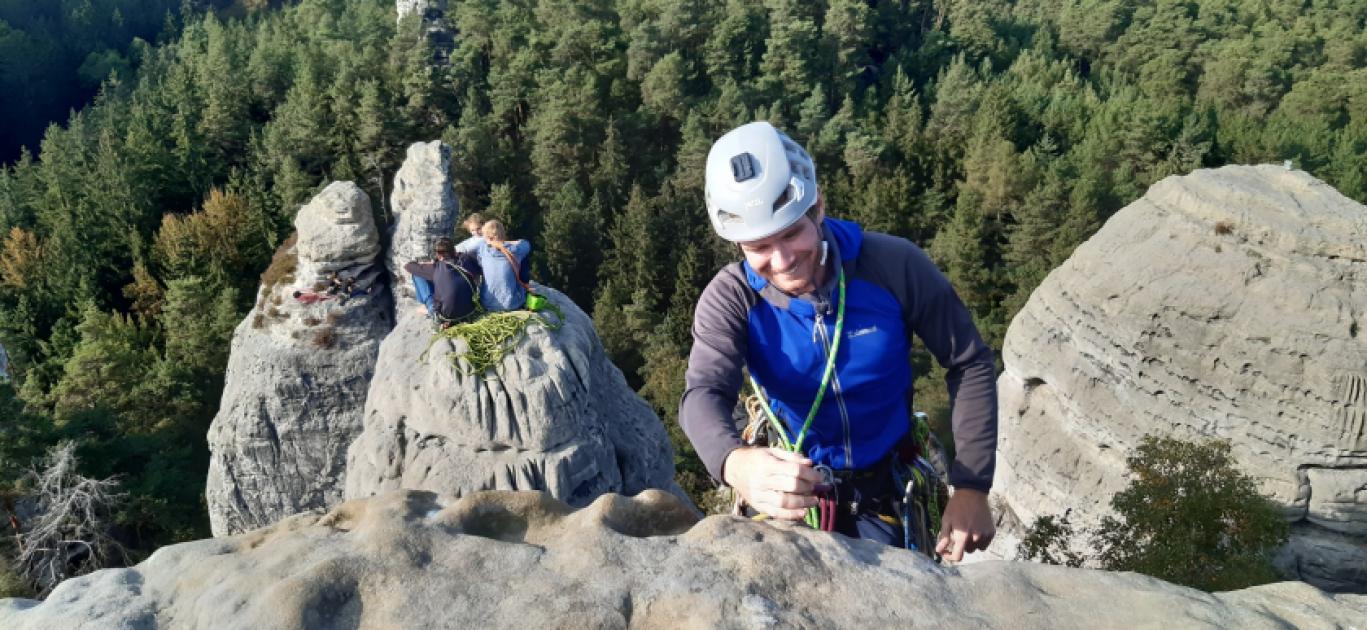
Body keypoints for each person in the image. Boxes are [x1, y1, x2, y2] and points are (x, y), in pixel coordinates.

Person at [679, 121, 998, 562]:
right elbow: (704, 392)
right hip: (788, 486)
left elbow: (968, 361)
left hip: (885, 490)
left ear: (818, 206)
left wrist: (972, 486)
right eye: (759, 247)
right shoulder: (733, 298)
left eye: (791, 232)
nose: (782, 260)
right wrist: (735, 463)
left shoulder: (891, 266)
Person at [404, 237, 481, 323]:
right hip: (470, 309)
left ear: (439, 255)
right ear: (454, 250)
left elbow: (408, 266)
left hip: (447, 316)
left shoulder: (436, 268)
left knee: (417, 275)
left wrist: (425, 264)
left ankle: (428, 307)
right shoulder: (466, 259)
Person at [470, 219, 532, 312]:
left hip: (487, 303)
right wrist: (509, 242)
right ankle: (524, 284)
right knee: (523, 258)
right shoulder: (516, 250)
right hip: (511, 304)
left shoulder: (482, 249)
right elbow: (526, 243)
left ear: (487, 237)